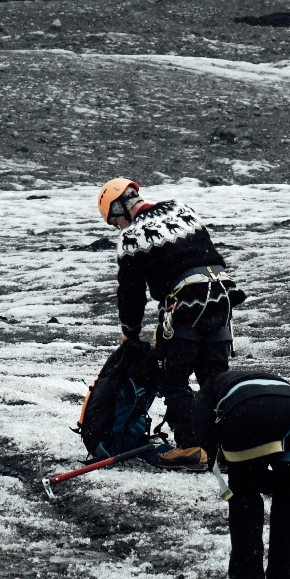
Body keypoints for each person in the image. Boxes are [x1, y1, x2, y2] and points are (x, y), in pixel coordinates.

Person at [98, 177, 240, 472]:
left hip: (184, 302)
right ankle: (227, 448)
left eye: (114, 221)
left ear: (120, 208)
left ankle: (191, 448)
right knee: (215, 378)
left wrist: (130, 332)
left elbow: (131, 291)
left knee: (175, 378)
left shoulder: (132, 236)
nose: (118, 227)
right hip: (221, 296)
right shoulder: (181, 209)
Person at [196, 368, 290, 579]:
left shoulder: (208, 389)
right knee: (289, 499)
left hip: (250, 414)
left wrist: (217, 456)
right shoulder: (271, 381)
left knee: (244, 498)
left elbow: (201, 433)